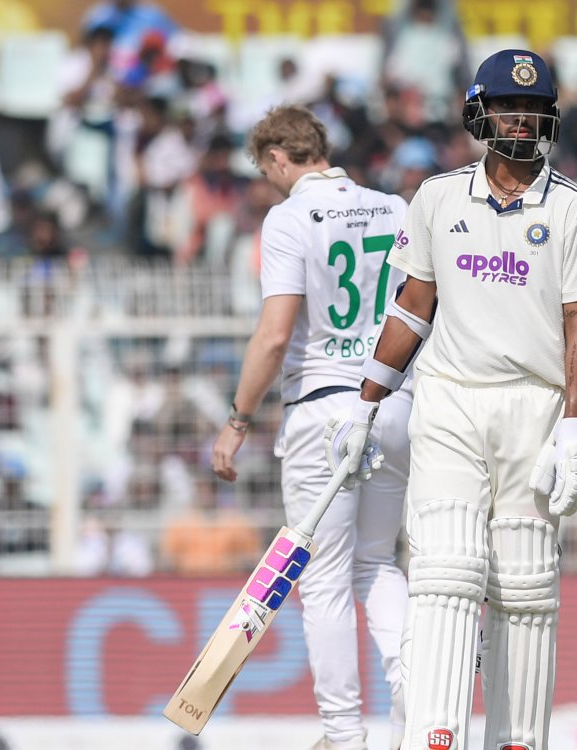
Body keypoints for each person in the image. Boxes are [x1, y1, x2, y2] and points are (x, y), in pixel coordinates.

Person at [324, 49, 577, 749]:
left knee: (525, 585)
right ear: (480, 115)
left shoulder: (572, 208)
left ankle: (517, 740)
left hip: (535, 405)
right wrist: (365, 404)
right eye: (509, 108)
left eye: (534, 110)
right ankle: (435, 736)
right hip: (449, 399)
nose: (521, 121)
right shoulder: (438, 197)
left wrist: (574, 429)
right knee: (445, 572)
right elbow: (412, 308)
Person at [209, 105, 413, 750]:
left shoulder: (288, 217)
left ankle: (343, 735)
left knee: (323, 579)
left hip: (324, 406)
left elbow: (275, 335)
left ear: (276, 158)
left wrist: (238, 420)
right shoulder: (393, 208)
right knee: (377, 563)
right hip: (396, 402)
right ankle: (417, 702)